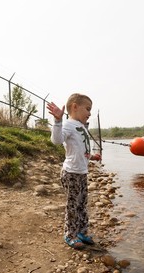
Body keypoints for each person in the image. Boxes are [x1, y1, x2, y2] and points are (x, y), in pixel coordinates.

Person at [47, 93, 101, 250]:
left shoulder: (81, 127)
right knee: (73, 205)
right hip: (71, 173)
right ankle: (70, 234)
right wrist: (57, 121)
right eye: (88, 109)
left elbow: (81, 148)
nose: (90, 113)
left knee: (82, 204)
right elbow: (56, 140)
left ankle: (82, 232)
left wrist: (92, 156)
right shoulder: (68, 125)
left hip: (82, 172)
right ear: (75, 107)